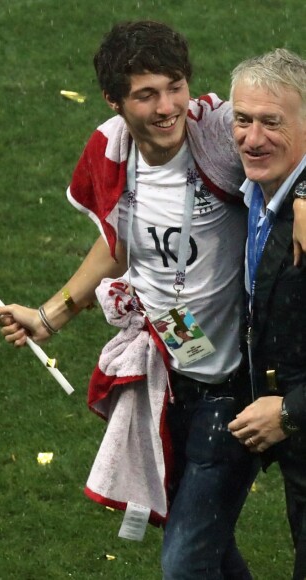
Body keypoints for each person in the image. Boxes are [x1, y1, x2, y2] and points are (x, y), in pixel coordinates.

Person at [0, 22, 306, 578]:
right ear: (114, 101)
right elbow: (118, 241)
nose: (167, 107)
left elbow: (286, 133)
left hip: (231, 390)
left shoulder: (220, 133)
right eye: (146, 94)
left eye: (175, 86)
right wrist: (50, 314)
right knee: (207, 546)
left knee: (184, 562)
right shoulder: (109, 154)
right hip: (168, 380)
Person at [227, 49, 306, 580]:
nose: (252, 139)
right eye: (242, 120)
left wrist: (288, 412)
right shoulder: (263, 191)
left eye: (271, 123)